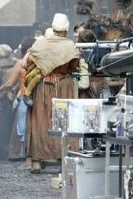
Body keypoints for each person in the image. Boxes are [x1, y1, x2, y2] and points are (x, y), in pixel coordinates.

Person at [23, 13, 80, 173]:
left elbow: (29, 63)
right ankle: (63, 158)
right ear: (66, 30)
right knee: (63, 121)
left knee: (40, 121)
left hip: (42, 86)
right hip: (63, 86)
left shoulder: (40, 44)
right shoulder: (69, 45)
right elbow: (74, 66)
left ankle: (36, 161)